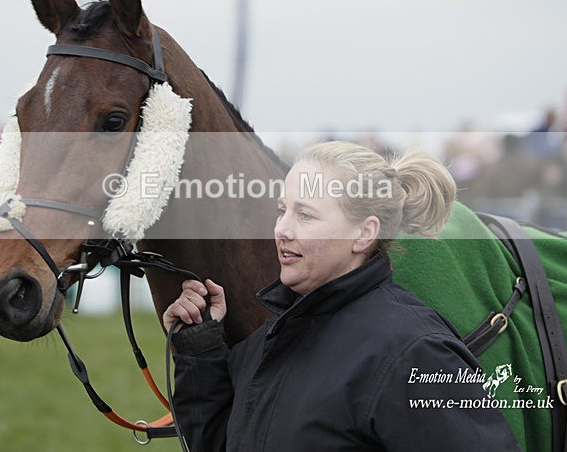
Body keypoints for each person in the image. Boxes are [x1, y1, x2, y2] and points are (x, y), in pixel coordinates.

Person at [163, 140, 520, 451]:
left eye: (305, 214)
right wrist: (200, 348)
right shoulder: (266, 345)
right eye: (282, 210)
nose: (282, 229)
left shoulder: (416, 353)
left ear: (364, 234)